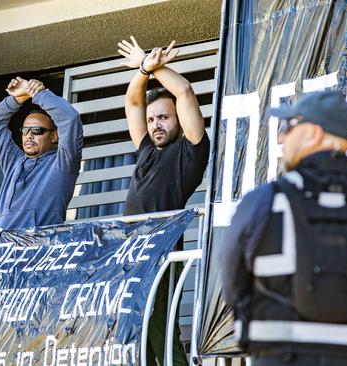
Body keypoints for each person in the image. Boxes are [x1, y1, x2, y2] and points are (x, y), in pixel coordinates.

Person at [219, 90, 347, 366]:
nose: (280, 137)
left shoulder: (263, 201)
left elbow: (232, 284)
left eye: (288, 127)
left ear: (314, 133)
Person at [118, 37, 210, 366]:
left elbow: (184, 92)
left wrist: (158, 68)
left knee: (161, 332)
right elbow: (132, 103)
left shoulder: (190, 152)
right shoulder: (145, 149)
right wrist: (144, 69)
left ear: (178, 121)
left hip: (161, 255)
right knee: (133, 334)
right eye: (153, 118)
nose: (156, 123)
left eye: (164, 118)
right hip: (129, 255)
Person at [0, 77, 83, 229]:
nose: (29, 136)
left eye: (37, 131)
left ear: (54, 136)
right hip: (1, 249)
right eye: (25, 131)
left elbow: (70, 118)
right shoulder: (14, 162)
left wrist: (38, 93)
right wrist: (16, 99)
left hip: (37, 249)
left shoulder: (63, 163)